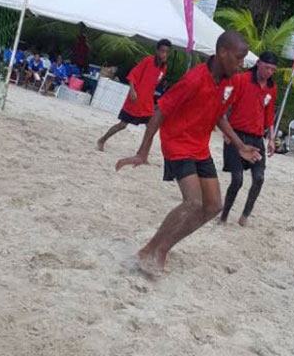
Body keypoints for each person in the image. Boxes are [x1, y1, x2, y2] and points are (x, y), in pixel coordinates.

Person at [115, 31, 261, 276]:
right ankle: (148, 249)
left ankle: (163, 249)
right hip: (177, 143)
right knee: (193, 202)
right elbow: (160, 110)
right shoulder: (194, 79)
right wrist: (143, 152)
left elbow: (219, 115)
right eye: (238, 58)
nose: (241, 64)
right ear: (222, 53)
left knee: (214, 206)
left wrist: (239, 145)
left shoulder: (229, 81)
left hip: (199, 147)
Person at [219, 51, 278, 227]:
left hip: (257, 138)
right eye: (267, 67)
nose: (269, 72)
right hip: (236, 135)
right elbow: (225, 105)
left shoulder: (271, 87)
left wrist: (272, 138)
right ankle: (224, 215)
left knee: (259, 178)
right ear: (258, 63)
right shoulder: (241, 79)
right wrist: (226, 132)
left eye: (273, 70)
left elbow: (269, 114)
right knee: (237, 180)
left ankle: (245, 215)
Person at [97, 39, 171, 151]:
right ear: (157, 51)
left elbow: (154, 83)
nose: (164, 54)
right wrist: (132, 90)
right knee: (122, 125)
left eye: (166, 52)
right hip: (135, 99)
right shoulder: (148, 61)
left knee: (150, 128)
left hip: (147, 103)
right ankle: (102, 140)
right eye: (162, 51)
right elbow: (133, 75)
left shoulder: (164, 68)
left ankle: (142, 153)